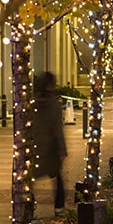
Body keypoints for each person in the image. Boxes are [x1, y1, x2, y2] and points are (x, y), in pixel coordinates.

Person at [32, 71, 67, 214]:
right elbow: (58, 130)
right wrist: (62, 151)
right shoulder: (54, 105)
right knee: (57, 176)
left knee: (29, 179)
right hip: (51, 148)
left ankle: (28, 207)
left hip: (34, 146)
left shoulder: (32, 103)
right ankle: (59, 207)